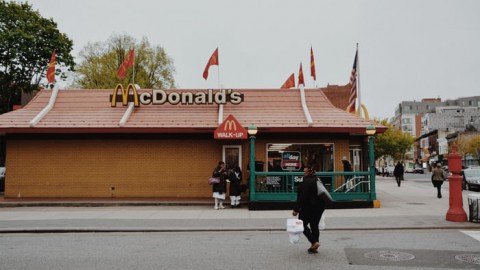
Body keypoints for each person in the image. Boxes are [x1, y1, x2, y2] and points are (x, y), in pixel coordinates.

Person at [292, 166, 326, 254]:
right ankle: (314, 246)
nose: (303, 173)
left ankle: (314, 242)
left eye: (304, 171)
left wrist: (296, 209)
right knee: (314, 225)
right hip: (320, 207)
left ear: (308, 172)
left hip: (309, 207)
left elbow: (302, 197)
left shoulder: (306, 182)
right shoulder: (318, 180)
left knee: (301, 224)